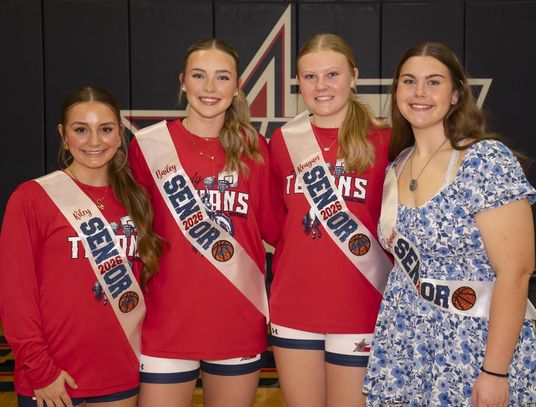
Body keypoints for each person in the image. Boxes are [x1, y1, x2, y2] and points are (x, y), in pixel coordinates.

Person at [363, 42, 536, 406]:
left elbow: (516, 272)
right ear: (396, 91)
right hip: (405, 347)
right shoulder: (396, 167)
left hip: (472, 345)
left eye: (434, 82)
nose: (420, 93)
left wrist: (495, 372)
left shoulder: (485, 161)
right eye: (409, 81)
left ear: (456, 93)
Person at [128, 38, 280, 407]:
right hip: (165, 319)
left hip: (236, 317)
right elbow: (131, 235)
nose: (210, 88)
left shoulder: (254, 147)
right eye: (199, 76)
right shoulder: (148, 145)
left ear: (237, 86)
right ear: (183, 81)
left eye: (222, 77)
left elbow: (277, 230)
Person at [0, 85, 162, 407]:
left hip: (119, 373)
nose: (93, 141)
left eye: (105, 129)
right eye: (80, 129)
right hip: (51, 378)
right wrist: (41, 371)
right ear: (63, 134)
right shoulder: (31, 198)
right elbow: (16, 296)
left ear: (119, 133)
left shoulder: (138, 200)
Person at [268, 33, 393, 407]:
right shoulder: (282, 140)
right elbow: (278, 224)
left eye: (332, 74)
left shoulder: (386, 138)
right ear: (298, 83)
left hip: (361, 303)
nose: (321, 86)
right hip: (294, 305)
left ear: (354, 76)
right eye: (309, 77)